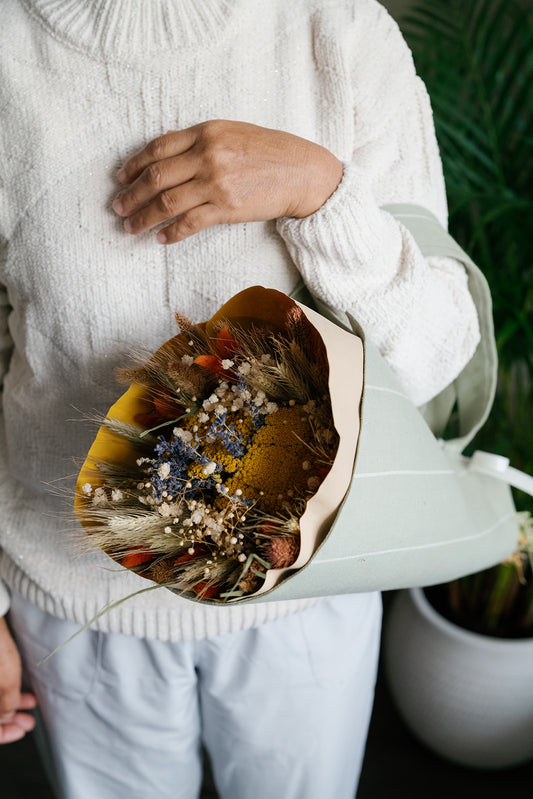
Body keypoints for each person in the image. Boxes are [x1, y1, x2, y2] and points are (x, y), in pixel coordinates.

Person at [0, 0, 481, 797]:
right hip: (75, 603)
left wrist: (320, 193)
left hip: (311, 589)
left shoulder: (338, 33)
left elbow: (435, 358)